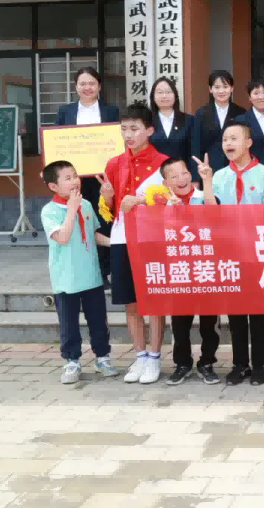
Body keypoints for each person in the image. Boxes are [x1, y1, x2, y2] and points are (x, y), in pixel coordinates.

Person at [196, 122, 264, 386]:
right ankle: (239, 364)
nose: (228, 143)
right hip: (229, 253)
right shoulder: (219, 176)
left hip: (257, 253)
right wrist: (207, 181)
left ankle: (260, 364)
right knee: (235, 314)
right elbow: (210, 214)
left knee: (258, 313)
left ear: (248, 143)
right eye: (225, 139)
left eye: (234, 138)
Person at [97, 102, 168, 385]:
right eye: (124, 129)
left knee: (154, 300)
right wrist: (107, 197)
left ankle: (155, 357)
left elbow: (172, 202)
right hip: (122, 236)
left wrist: (140, 200)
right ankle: (140, 355)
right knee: (131, 301)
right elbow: (108, 211)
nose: (128, 134)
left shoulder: (163, 163)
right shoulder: (114, 164)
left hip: (153, 238)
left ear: (149, 130)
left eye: (134, 128)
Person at [40, 160, 117, 384]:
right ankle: (72, 361)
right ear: (53, 186)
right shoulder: (49, 211)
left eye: (75, 176)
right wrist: (71, 210)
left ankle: (102, 357)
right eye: (68, 178)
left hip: (91, 275)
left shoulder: (85, 204)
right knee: (69, 323)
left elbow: (93, 234)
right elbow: (62, 237)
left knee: (98, 320)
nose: (75, 181)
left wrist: (115, 243)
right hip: (66, 278)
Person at [154, 158, 220, 386]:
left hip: (205, 269)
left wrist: (207, 181)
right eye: (174, 176)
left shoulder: (204, 197)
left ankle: (207, 363)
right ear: (165, 182)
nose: (181, 179)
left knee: (209, 322)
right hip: (179, 271)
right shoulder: (161, 204)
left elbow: (216, 217)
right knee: (180, 322)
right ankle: (182, 363)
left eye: (184, 173)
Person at [54, 66, 119, 286]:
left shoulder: (111, 111)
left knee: (103, 220)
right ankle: (83, 270)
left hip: (103, 178)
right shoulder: (65, 112)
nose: (87, 87)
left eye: (92, 83)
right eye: (82, 83)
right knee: (80, 221)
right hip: (75, 180)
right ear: (76, 87)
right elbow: (56, 143)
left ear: (99, 86)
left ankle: (104, 271)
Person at [192, 70, 245, 173]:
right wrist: (196, 176)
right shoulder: (201, 113)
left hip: (236, 169)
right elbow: (196, 146)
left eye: (225, 87)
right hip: (209, 170)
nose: (221, 91)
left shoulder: (240, 113)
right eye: (217, 87)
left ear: (232, 88)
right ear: (210, 89)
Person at [149, 77, 196, 179]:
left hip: (182, 178)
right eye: (160, 92)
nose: (164, 96)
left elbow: (194, 152)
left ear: (175, 95)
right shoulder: (147, 122)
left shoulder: (189, 120)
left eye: (168, 92)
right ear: (153, 96)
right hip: (153, 177)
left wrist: (194, 179)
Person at [238, 77, 264, 174]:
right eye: (256, 93)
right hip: (250, 173)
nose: (261, 97)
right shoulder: (241, 121)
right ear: (249, 97)